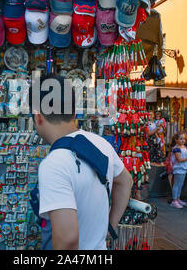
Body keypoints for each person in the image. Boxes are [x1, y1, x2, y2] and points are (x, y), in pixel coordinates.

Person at [30, 74, 133, 250]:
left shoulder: (54, 164)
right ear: (72, 112)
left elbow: (67, 240)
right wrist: (110, 225)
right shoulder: (100, 143)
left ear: (38, 117)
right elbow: (125, 181)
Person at [168, 133, 187, 208]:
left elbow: (185, 156)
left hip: (183, 168)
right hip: (178, 168)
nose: (183, 140)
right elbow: (179, 159)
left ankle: (178, 199)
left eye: (184, 139)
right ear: (176, 140)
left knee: (180, 184)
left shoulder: (184, 147)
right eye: (181, 139)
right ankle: (174, 200)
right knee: (176, 184)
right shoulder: (176, 148)